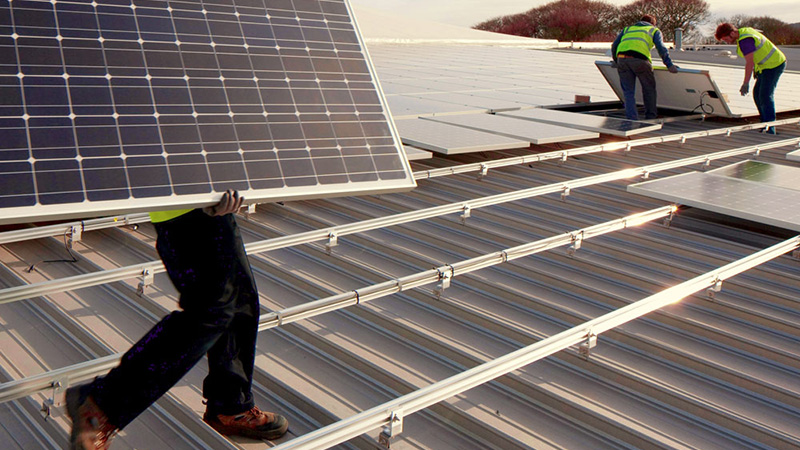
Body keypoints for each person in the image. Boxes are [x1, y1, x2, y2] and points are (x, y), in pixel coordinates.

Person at [65, 190, 289, 449]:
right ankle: (100, 403)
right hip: (185, 206)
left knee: (241, 302)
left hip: (212, 200)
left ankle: (230, 404)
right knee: (211, 311)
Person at [715, 22, 786, 134]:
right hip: (765, 66)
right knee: (758, 94)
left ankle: (770, 126)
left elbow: (749, 63)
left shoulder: (745, 41)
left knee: (765, 95)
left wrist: (745, 83)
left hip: (774, 65)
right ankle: (764, 123)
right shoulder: (744, 32)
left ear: (732, 33)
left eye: (726, 39)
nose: (727, 42)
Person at [611, 14, 679, 120]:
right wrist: (669, 65)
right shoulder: (654, 30)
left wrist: (616, 61)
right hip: (640, 60)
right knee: (648, 89)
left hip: (622, 59)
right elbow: (661, 48)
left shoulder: (628, 29)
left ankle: (631, 119)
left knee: (628, 92)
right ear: (653, 23)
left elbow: (614, 45)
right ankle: (650, 117)